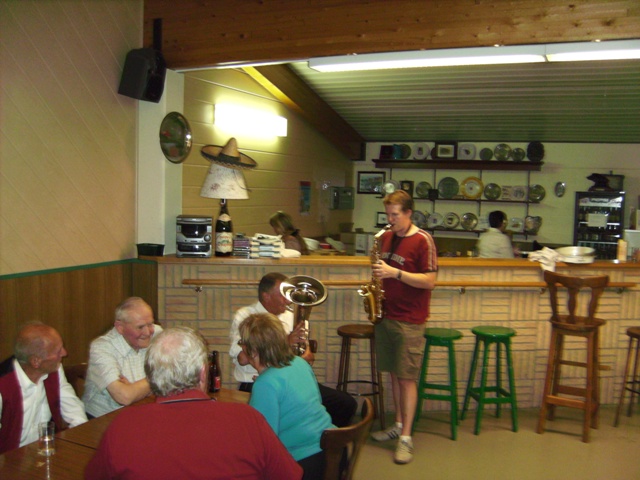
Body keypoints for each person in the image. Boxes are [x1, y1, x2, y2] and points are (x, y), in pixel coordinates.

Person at [85, 326, 302, 480]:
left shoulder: (123, 426)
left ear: (151, 375)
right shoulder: (248, 419)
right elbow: (290, 475)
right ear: (203, 373)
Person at [229, 272, 356, 427]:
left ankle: (330, 444)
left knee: (345, 403)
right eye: (283, 295)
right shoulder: (245, 316)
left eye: (289, 294)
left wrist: (306, 354)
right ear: (266, 296)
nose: (288, 300)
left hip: (289, 378)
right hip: (254, 380)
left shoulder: (291, 316)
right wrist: (286, 342)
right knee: (293, 414)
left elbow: (305, 354)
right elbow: (242, 358)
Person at [369, 190, 438, 465]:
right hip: (386, 315)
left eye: (395, 215)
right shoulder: (386, 236)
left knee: (407, 378)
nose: (390, 220)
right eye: (388, 215)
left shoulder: (424, 241)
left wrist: (394, 272)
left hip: (410, 319)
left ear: (409, 213)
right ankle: (398, 424)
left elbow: (429, 281)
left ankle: (406, 438)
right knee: (395, 375)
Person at [238, 313, 332, 480]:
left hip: (303, 465)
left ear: (252, 350)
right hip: (333, 451)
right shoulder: (299, 363)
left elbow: (265, 443)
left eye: (242, 343)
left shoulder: (265, 384)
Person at [0, 322, 87, 454]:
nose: (64, 353)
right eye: (58, 351)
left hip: (47, 452)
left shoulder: (55, 369)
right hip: (10, 462)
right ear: (36, 361)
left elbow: (73, 408)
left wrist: (81, 442)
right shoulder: (3, 384)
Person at [82, 297, 162, 418]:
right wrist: (159, 377)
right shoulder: (102, 347)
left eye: (150, 324)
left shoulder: (157, 333)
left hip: (141, 412)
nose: (147, 332)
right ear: (120, 327)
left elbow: (179, 375)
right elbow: (124, 397)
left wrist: (135, 388)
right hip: (102, 419)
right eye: (140, 327)